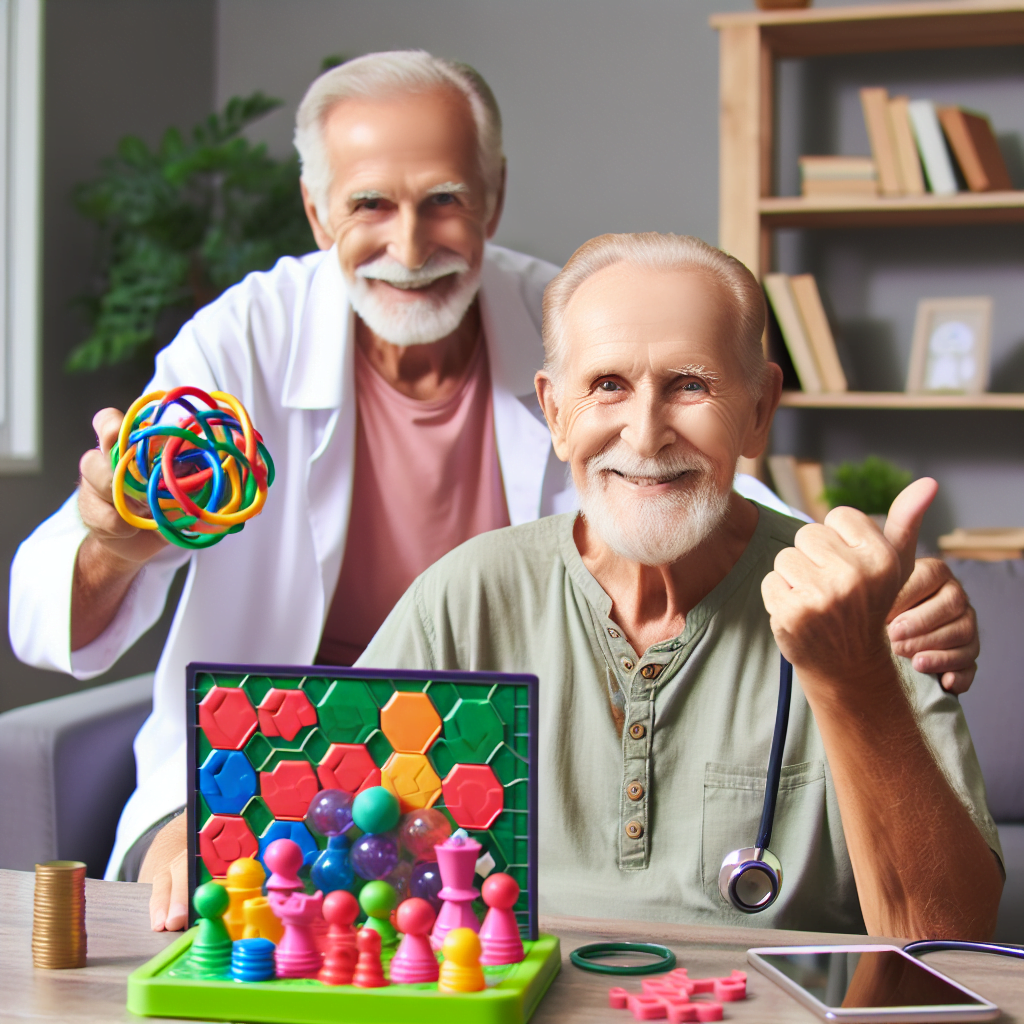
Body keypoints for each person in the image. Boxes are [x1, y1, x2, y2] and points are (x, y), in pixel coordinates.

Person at [9, 55, 977, 932]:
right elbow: (50, 612)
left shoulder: (576, 315)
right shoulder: (245, 342)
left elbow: (703, 482)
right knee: (233, 904)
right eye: (369, 208)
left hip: (473, 759)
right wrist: (117, 541)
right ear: (316, 214)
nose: (409, 241)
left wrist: (879, 590)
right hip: (263, 763)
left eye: (442, 201)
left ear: (494, 198)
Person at [359, 232, 1003, 937]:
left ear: (758, 410)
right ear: (553, 413)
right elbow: (324, 851)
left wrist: (855, 676)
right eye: (608, 385)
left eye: (690, 385)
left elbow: (951, 940)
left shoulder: (858, 601)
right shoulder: (465, 596)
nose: (645, 435)